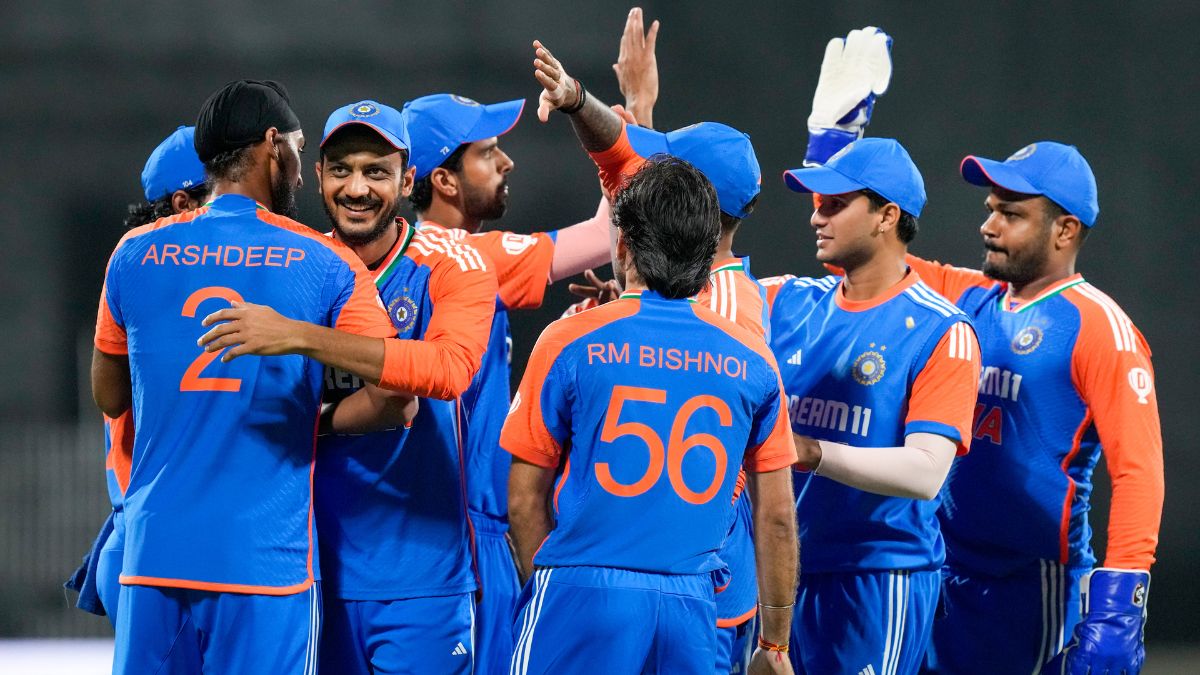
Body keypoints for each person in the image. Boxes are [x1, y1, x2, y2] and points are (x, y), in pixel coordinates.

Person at [92, 80, 415, 674]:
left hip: (152, 556)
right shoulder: (325, 260)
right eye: (298, 149)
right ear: (274, 146)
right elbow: (398, 396)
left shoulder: (132, 253)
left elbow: (110, 396)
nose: (300, 173)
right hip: (265, 565)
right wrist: (318, 419)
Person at [531, 19, 773, 671]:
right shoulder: (699, 289)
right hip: (674, 580)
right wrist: (623, 104)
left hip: (693, 585)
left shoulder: (722, 311)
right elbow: (621, 167)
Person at [502, 156, 799, 675]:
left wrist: (550, 587)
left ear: (623, 244)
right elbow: (775, 517)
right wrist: (774, 645)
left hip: (582, 588)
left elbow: (525, 499)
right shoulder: (754, 359)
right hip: (691, 607)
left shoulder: (569, 339)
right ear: (708, 255)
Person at [901, 144, 1165, 674]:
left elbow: (1139, 472)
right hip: (938, 575)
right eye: (990, 210)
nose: (989, 226)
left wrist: (1120, 607)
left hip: (1031, 587)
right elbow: (871, 262)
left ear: (1064, 230)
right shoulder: (970, 297)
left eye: (1012, 214)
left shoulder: (1099, 328)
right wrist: (831, 149)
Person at [402, 91, 612, 672]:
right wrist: (624, 131)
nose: (506, 162)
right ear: (444, 180)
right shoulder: (470, 256)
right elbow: (609, 234)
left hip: (417, 531)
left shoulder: (398, 258)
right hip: (466, 534)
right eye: (488, 152)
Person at [768, 137, 982, 675]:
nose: (817, 217)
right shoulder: (786, 301)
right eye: (817, 203)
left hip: (877, 578)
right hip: (780, 571)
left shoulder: (941, 329)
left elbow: (926, 472)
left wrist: (810, 450)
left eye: (836, 204)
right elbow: (703, 295)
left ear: (887, 216)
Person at [312, 99, 496, 674]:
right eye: (341, 170)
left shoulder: (452, 262)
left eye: (376, 171)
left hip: (424, 577)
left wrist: (306, 343)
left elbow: (448, 370)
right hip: (312, 574)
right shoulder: (300, 265)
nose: (356, 188)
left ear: (408, 180)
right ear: (318, 176)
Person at [68, 125, 211, 627]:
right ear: (182, 203)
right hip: (165, 554)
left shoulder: (141, 279)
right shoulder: (174, 296)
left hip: (142, 543)